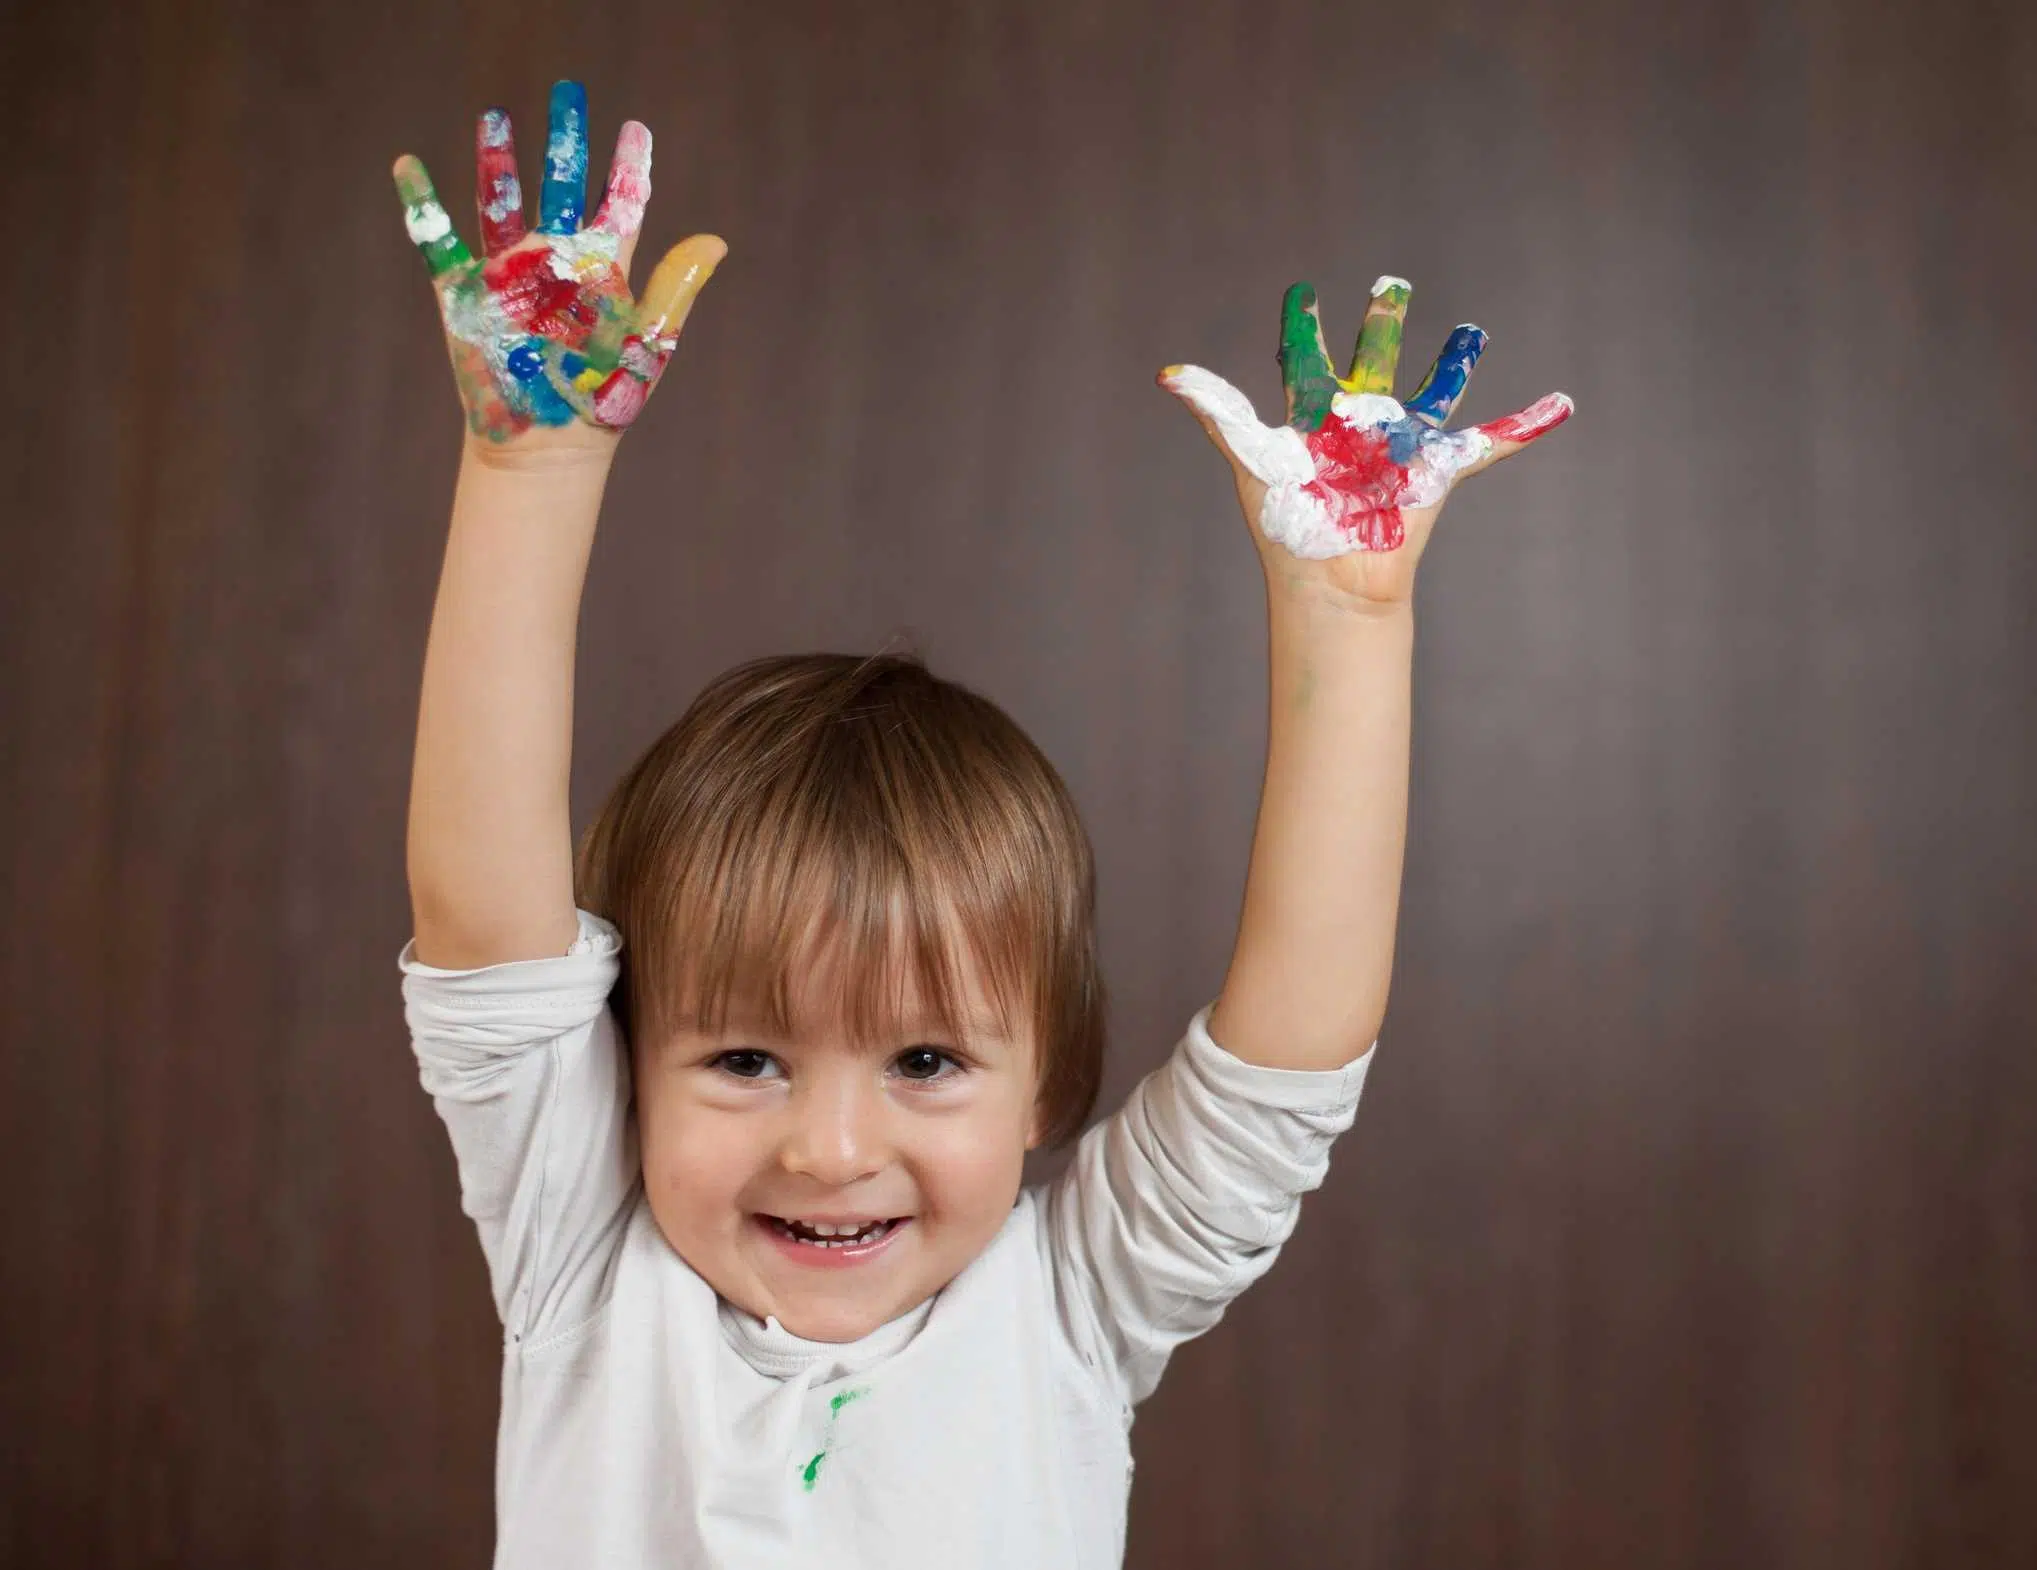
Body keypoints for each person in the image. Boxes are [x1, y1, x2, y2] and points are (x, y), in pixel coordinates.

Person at [394, 79, 1571, 1568]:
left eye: (927, 1059)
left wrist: (1348, 618)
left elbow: (1290, 1051)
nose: (828, 1148)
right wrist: (531, 467)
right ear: (617, 1061)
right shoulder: (583, 1249)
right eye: (745, 1055)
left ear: (1043, 1089)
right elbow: (483, 915)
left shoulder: (1071, 1298)